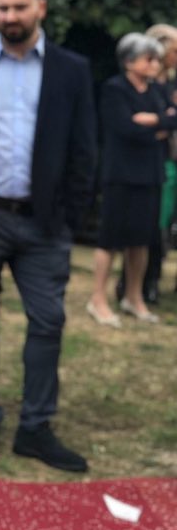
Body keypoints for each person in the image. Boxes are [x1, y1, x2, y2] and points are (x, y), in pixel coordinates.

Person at [0, 0, 97, 473]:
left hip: (45, 223)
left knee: (48, 322)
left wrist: (68, 218)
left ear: (40, 6)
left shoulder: (72, 69)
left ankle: (36, 427)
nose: (11, 16)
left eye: (20, 7)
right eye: (2, 8)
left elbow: (85, 148)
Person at [87, 33, 177, 327]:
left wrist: (152, 121)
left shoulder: (155, 90)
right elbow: (125, 128)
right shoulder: (115, 88)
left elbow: (172, 119)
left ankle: (133, 296)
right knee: (110, 239)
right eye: (148, 58)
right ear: (129, 61)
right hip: (121, 174)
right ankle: (97, 298)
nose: (154, 64)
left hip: (150, 173)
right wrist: (157, 123)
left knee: (143, 239)